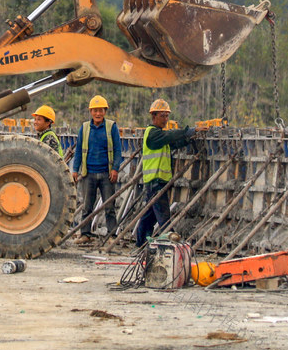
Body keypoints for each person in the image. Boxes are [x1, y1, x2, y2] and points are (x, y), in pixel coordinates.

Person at [135, 99, 197, 248]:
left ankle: (140, 242)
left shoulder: (159, 136)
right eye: (163, 116)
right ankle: (171, 242)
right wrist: (187, 131)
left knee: (149, 216)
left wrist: (188, 139)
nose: (165, 119)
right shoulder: (152, 134)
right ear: (154, 116)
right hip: (155, 181)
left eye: (167, 116)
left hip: (158, 181)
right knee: (163, 216)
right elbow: (169, 136)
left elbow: (173, 143)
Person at [72, 95, 122, 245]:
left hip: (107, 174)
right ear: (91, 112)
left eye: (100, 110)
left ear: (105, 111)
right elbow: (79, 150)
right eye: (95, 111)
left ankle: (111, 235)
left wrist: (115, 169)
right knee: (87, 206)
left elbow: (118, 150)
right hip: (89, 173)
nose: (98, 114)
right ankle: (85, 234)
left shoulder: (111, 127)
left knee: (109, 206)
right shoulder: (85, 127)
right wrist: (75, 169)